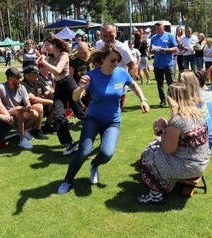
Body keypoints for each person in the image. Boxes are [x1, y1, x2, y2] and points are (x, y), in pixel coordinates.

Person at [57, 44, 150, 194]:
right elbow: (75, 97)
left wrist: (143, 99)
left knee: (107, 153)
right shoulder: (92, 76)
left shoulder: (121, 73)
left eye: (118, 60)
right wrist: (81, 87)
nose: (115, 63)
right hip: (93, 119)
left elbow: (133, 85)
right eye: (112, 59)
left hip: (112, 121)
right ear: (103, 59)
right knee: (83, 152)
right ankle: (67, 180)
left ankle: (94, 165)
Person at [138, 83, 209, 204]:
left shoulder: (178, 120)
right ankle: (166, 183)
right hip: (200, 163)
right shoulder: (197, 114)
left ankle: (156, 194)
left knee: (148, 154)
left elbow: (169, 149)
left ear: (171, 99)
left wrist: (161, 129)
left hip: (188, 168)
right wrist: (166, 129)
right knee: (154, 146)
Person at [40, 35, 83, 156]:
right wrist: (44, 59)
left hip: (69, 83)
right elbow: (50, 73)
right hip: (58, 85)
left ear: (54, 45)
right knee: (58, 114)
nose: (46, 47)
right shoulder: (49, 56)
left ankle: (96, 130)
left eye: (48, 45)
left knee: (80, 113)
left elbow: (58, 70)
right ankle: (69, 143)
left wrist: (44, 62)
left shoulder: (64, 55)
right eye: (45, 45)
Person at [0, 67, 47, 150]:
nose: (20, 79)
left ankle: (24, 132)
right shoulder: (1, 88)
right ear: (10, 79)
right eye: (17, 78)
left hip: (20, 111)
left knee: (35, 112)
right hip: (6, 112)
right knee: (18, 109)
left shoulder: (21, 87)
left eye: (20, 77)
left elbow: (28, 103)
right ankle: (22, 139)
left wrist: (27, 107)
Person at [95, 22, 139, 111]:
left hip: (118, 88)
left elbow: (133, 66)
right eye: (105, 36)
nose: (108, 39)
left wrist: (126, 82)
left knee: (114, 114)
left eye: (111, 35)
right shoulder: (98, 44)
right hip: (102, 85)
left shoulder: (122, 48)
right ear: (101, 34)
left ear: (115, 33)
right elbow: (97, 63)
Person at [178, 71, 212, 151]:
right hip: (207, 141)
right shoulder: (204, 100)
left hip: (200, 147)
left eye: (179, 83)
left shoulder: (192, 106)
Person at [149, 21, 178, 107]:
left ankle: (173, 100)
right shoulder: (153, 37)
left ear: (163, 28)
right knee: (159, 83)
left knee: (170, 83)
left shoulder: (170, 36)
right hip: (157, 64)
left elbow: (175, 48)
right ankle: (163, 100)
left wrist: (165, 50)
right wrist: (152, 50)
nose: (157, 30)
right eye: (156, 29)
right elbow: (150, 51)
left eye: (159, 28)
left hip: (168, 64)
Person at [21, 65, 54, 136]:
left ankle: (48, 125)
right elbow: (32, 99)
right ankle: (37, 130)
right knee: (39, 106)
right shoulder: (23, 85)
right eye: (35, 73)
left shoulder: (37, 82)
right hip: (28, 110)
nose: (37, 75)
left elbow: (46, 92)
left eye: (37, 73)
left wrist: (51, 96)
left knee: (52, 97)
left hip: (39, 109)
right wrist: (50, 102)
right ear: (27, 76)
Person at [69, 41, 93, 108]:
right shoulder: (73, 58)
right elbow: (71, 75)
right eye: (79, 52)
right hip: (79, 84)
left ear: (88, 49)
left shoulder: (94, 56)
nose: (82, 55)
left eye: (84, 52)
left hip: (92, 84)